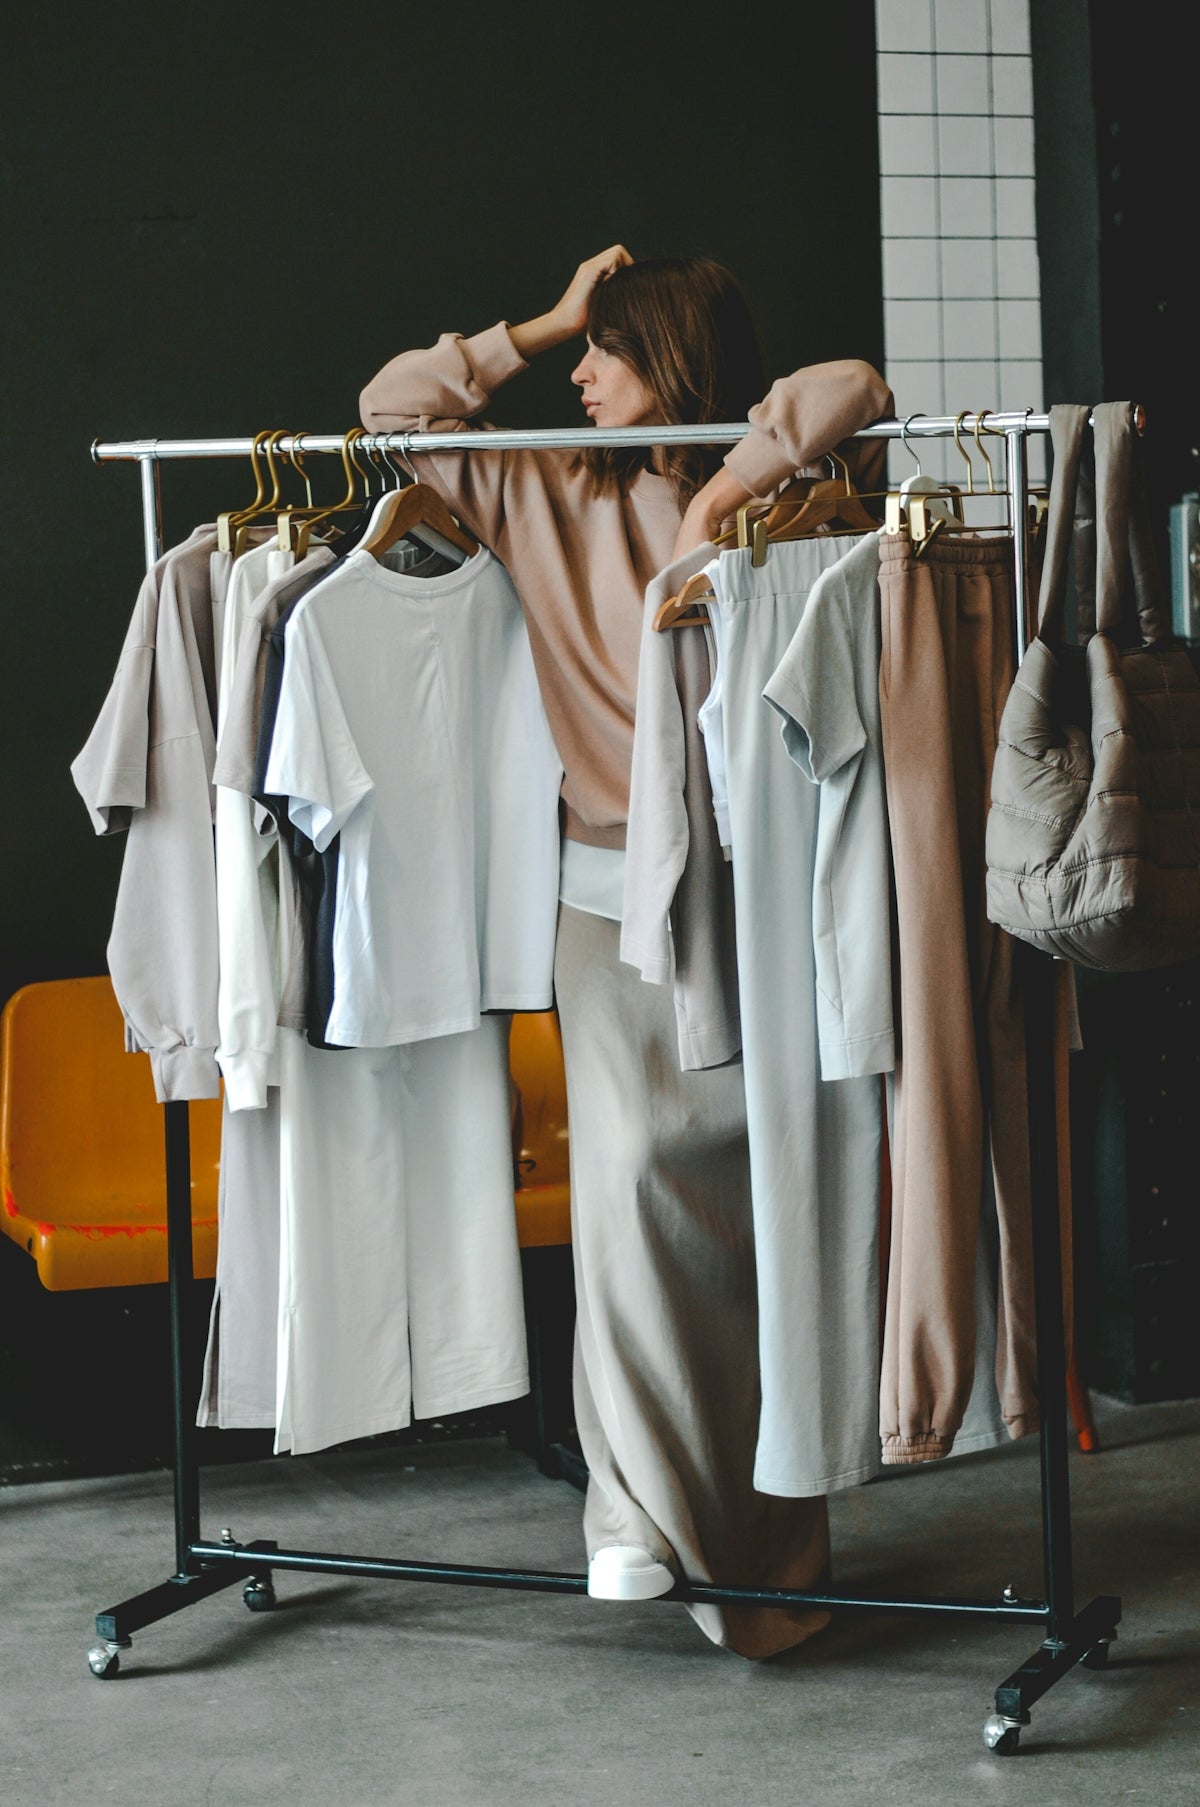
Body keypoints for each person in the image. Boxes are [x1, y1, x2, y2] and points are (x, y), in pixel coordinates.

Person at [359, 247, 894, 1658]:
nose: (582, 375)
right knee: (631, 1202)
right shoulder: (544, 488)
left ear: (673, 354)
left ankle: (766, 1551)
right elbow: (394, 406)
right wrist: (538, 323)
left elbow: (858, 383)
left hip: (771, 895)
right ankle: (636, 1514)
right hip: (609, 906)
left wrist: (717, 505)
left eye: (606, 350)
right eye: (580, 352)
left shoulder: (777, 491)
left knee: (764, 1221)